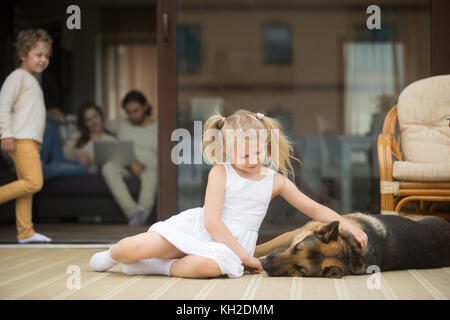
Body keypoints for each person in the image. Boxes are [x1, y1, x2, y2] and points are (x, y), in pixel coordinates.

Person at [90, 109, 368, 279]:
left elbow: (316, 210)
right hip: (203, 229)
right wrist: (245, 258)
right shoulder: (221, 172)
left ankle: (154, 268)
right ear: (226, 151)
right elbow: (211, 222)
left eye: (258, 151)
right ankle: (112, 255)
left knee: (207, 268)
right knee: (131, 249)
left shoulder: (275, 180)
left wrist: (346, 223)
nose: (252, 158)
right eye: (244, 154)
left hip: (232, 245)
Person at [0, 29, 53, 243]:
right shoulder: (17, 77)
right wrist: (6, 134)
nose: (44, 60)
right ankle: (25, 231)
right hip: (20, 140)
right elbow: (3, 105)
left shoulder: (32, 80)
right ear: (23, 55)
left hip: (30, 141)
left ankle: (25, 232)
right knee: (33, 183)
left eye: (47, 56)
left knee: (26, 187)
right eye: (38, 55)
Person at [101, 90, 157, 226]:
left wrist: (145, 164)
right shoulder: (121, 124)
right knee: (108, 167)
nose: (132, 115)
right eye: (128, 112)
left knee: (153, 172)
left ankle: (142, 211)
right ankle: (134, 214)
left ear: (145, 107)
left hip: (150, 167)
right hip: (127, 164)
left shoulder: (159, 127)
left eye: (136, 111)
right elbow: (96, 122)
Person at [63, 102, 116, 173]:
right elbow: (63, 154)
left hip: (87, 171)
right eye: (88, 120)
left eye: (95, 117)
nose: (94, 122)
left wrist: (92, 161)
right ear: (84, 123)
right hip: (71, 166)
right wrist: (76, 156)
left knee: (54, 167)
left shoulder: (111, 140)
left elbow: (115, 164)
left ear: (101, 117)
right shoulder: (77, 136)